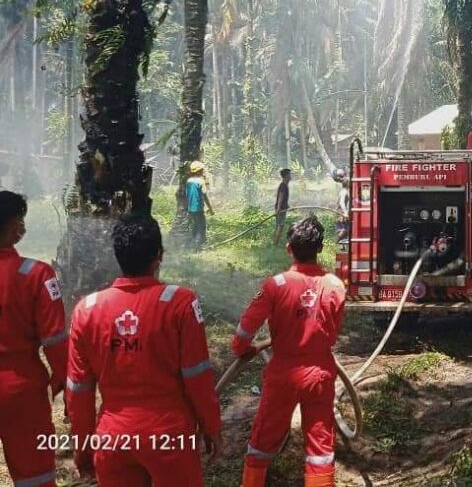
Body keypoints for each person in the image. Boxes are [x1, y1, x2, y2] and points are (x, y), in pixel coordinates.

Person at [66, 214, 223, 485]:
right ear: (158, 255)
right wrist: (211, 426)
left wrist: (83, 444)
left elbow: (79, 390)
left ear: (117, 255)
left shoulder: (87, 309)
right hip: (169, 435)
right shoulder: (181, 303)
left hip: (113, 437)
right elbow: (197, 377)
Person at [233, 216, 346, 487]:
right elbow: (331, 328)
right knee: (320, 449)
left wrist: (244, 349)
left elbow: (243, 333)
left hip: (283, 375)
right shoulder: (336, 286)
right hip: (320, 375)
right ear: (320, 249)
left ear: (288, 248)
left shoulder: (275, 285)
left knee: (261, 444)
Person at [0, 190, 67, 487]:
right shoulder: (36, 274)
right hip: (21, 388)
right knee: (34, 477)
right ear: (16, 228)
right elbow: (54, 338)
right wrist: (62, 376)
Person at [185, 161, 214, 249]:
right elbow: (204, 195)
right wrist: (210, 208)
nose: (203, 171)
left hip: (190, 209)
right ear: (198, 171)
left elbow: (188, 195)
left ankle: (191, 245)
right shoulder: (201, 181)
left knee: (194, 227)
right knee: (201, 228)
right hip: (198, 209)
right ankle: (197, 247)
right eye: (202, 170)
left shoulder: (188, 181)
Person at [272, 168, 292, 246]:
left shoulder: (285, 185)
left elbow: (283, 199)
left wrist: (287, 206)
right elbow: (281, 197)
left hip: (283, 208)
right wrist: (278, 208)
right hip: (280, 209)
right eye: (289, 174)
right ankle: (275, 244)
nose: (291, 176)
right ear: (286, 176)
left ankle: (275, 243)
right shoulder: (283, 186)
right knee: (280, 226)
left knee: (280, 226)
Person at [331, 168, 350, 242]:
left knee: (347, 231)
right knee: (343, 231)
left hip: (344, 214)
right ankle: (332, 243)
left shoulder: (347, 190)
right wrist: (345, 212)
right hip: (341, 214)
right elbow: (341, 203)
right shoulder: (344, 191)